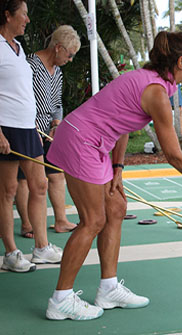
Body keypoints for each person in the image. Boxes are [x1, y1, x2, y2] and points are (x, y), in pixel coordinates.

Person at [45, 31, 182, 321]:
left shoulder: (154, 83)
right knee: (93, 221)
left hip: (96, 145)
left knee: (115, 208)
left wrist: (118, 167)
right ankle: (61, 299)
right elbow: (174, 155)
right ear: (181, 62)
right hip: (81, 141)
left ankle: (108, 288)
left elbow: (121, 121)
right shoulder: (156, 92)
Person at [0, 0, 62, 273]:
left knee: (39, 186)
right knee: (7, 192)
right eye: (23, 14)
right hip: (6, 127)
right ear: (7, 15)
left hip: (27, 127)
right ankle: (11, 253)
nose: (27, 19)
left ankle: (41, 248)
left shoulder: (18, 48)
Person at [16, 25, 80, 236]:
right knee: (25, 178)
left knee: (56, 174)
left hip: (48, 130)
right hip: (27, 128)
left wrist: (56, 124)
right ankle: (27, 224)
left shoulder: (58, 72)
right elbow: (19, 97)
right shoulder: (30, 65)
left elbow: (57, 104)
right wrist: (28, 123)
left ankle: (61, 220)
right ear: (58, 47)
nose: (70, 60)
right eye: (69, 55)